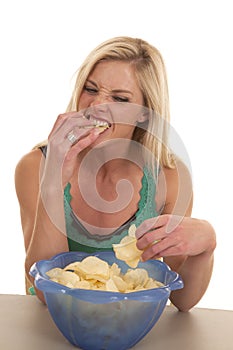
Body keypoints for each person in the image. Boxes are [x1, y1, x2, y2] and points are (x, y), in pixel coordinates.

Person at [15, 36, 216, 311]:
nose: (96, 105)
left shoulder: (168, 177)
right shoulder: (35, 166)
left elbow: (181, 299)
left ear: (143, 113)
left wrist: (206, 247)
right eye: (90, 88)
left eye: (119, 98)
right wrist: (53, 179)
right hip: (55, 329)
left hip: (130, 329)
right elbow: (43, 288)